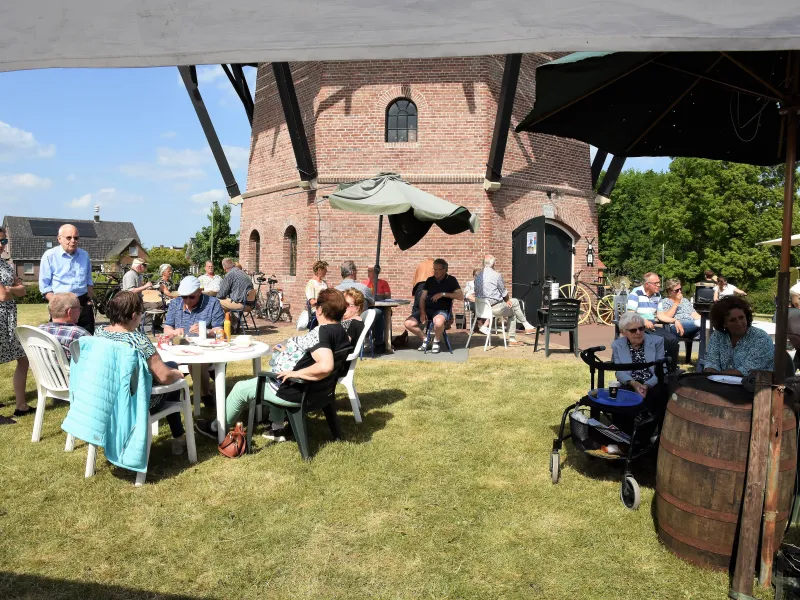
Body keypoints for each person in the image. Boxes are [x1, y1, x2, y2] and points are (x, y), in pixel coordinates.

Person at [196, 288, 351, 442]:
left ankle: (216, 429)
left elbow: (325, 366)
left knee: (240, 389)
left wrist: (294, 374)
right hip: (318, 392)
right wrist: (289, 352)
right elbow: (313, 355)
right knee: (275, 374)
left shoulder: (322, 332)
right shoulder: (341, 331)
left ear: (320, 310)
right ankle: (277, 428)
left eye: (316, 306)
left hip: (293, 390)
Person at [95, 291, 188, 454]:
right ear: (133, 316)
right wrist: (176, 374)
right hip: (134, 404)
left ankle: (179, 435)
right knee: (172, 371)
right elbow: (164, 376)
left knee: (169, 367)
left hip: (104, 400)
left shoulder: (99, 333)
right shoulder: (137, 340)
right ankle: (179, 435)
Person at [162, 276, 225, 401]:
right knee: (160, 362)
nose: (187, 301)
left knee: (196, 364)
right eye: (184, 297)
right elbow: (167, 328)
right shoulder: (175, 303)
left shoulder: (212, 303)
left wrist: (205, 331)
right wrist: (174, 332)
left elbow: (220, 331)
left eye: (191, 297)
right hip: (180, 349)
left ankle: (204, 395)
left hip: (205, 349)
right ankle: (169, 397)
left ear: (199, 291)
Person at [39, 223, 95, 333]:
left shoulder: (84, 255)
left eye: (76, 238)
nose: (73, 241)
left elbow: (88, 280)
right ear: (59, 239)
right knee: (61, 340)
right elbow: (45, 287)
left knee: (87, 340)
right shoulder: (49, 256)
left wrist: (88, 300)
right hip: (61, 305)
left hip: (83, 303)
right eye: (69, 237)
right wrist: (58, 304)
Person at [0, 226, 31, 417]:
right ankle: (20, 406)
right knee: (23, 358)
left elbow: (23, 290)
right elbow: (3, 295)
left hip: (8, 318)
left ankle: (21, 405)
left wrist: (10, 288)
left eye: (4, 241)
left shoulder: (4, 264)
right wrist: (13, 289)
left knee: (23, 358)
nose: (2, 245)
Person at [704, 296, 774, 377]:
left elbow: (744, 372)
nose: (739, 323)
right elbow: (712, 363)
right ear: (723, 323)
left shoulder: (761, 339)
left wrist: (716, 375)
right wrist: (710, 372)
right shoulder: (718, 335)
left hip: (755, 387)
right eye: (732, 320)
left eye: (741, 318)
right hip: (722, 384)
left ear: (746, 317)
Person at [404, 258, 463, 354]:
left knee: (438, 323)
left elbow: (460, 296)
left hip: (441, 310)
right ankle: (425, 340)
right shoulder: (429, 280)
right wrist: (422, 311)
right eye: (434, 269)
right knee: (408, 323)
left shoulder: (451, 280)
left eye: (437, 270)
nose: (434, 272)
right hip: (427, 309)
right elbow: (422, 298)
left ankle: (436, 341)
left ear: (444, 270)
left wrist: (443, 294)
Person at [474, 254, 535, 345]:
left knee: (512, 310)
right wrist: (507, 300)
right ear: (494, 263)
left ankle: (518, 334)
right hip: (494, 308)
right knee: (514, 303)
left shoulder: (478, 276)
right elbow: (503, 293)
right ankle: (523, 328)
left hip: (481, 310)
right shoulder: (496, 275)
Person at [626, 271, 679, 363]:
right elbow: (630, 314)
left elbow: (660, 315)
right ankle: (657, 366)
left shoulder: (657, 295)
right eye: (656, 283)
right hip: (638, 328)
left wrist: (675, 321)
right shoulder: (636, 293)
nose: (659, 285)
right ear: (647, 284)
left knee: (673, 339)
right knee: (661, 340)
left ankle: (671, 369)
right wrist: (643, 320)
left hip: (652, 327)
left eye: (659, 282)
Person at [612, 312, 666, 399]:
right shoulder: (617, 345)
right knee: (622, 397)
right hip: (630, 382)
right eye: (633, 330)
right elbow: (619, 371)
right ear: (623, 332)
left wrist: (647, 385)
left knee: (657, 395)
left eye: (641, 328)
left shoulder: (657, 342)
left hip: (653, 382)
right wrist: (634, 383)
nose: (638, 332)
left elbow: (662, 369)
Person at [336, 260, 384, 351]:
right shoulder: (363, 288)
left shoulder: (335, 290)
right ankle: (379, 343)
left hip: (340, 322)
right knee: (379, 311)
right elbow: (372, 303)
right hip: (360, 322)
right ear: (353, 272)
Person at [38, 292, 90, 360]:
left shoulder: (39, 330)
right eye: (79, 309)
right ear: (69, 312)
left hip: (42, 370)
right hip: (70, 370)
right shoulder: (79, 334)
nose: (80, 311)